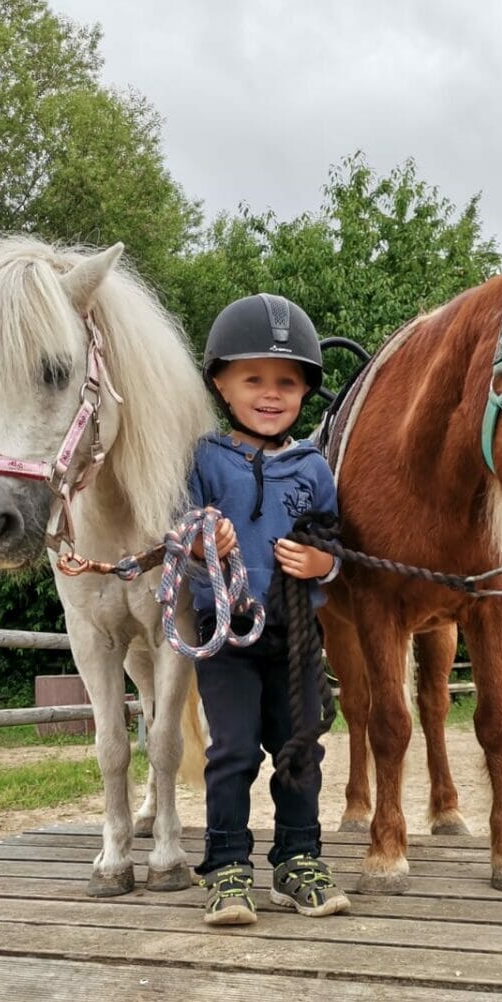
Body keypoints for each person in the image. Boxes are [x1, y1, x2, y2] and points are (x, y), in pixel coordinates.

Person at [188, 293, 351, 926]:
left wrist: (322, 566)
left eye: (286, 381)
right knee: (231, 750)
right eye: (253, 377)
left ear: (306, 391)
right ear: (222, 383)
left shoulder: (314, 465)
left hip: (297, 633)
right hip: (227, 630)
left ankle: (298, 860)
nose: (270, 392)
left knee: (299, 748)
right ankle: (227, 865)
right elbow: (182, 530)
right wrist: (207, 538)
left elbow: (332, 539)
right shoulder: (202, 458)